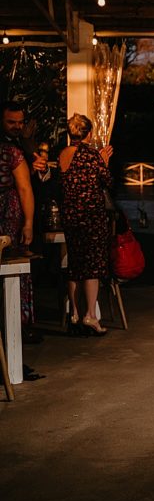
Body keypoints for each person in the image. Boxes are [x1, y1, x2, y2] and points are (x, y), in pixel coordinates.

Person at [59, 114, 113, 336]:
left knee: (75, 265)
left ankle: (74, 313)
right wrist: (104, 162)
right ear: (89, 134)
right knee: (92, 266)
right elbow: (107, 181)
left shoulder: (63, 154)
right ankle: (90, 314)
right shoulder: (91, 155)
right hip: (91, 217)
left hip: (70, 217)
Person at [1, 104, 51, 345]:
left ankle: (16, 328)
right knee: (13, 267)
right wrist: (28, 223)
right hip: (10, 214)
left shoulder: (21, 146)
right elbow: (23, 187)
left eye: (20, 122)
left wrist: (35, 168)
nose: (17, 126)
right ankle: (13, 329)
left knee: (17, 268)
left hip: (14, 212)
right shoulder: (11, 150)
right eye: (11, 122)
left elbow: (27, 183)